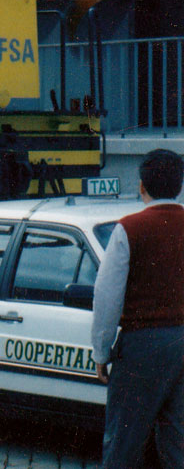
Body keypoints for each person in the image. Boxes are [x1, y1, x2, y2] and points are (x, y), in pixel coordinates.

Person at [91, 148, 184, 467]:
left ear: (142, 186)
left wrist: (101, 352)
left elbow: (107, 296)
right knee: (178, 444)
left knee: (124, 442)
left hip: (143, 346)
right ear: (180, 185)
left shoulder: (129, 228)